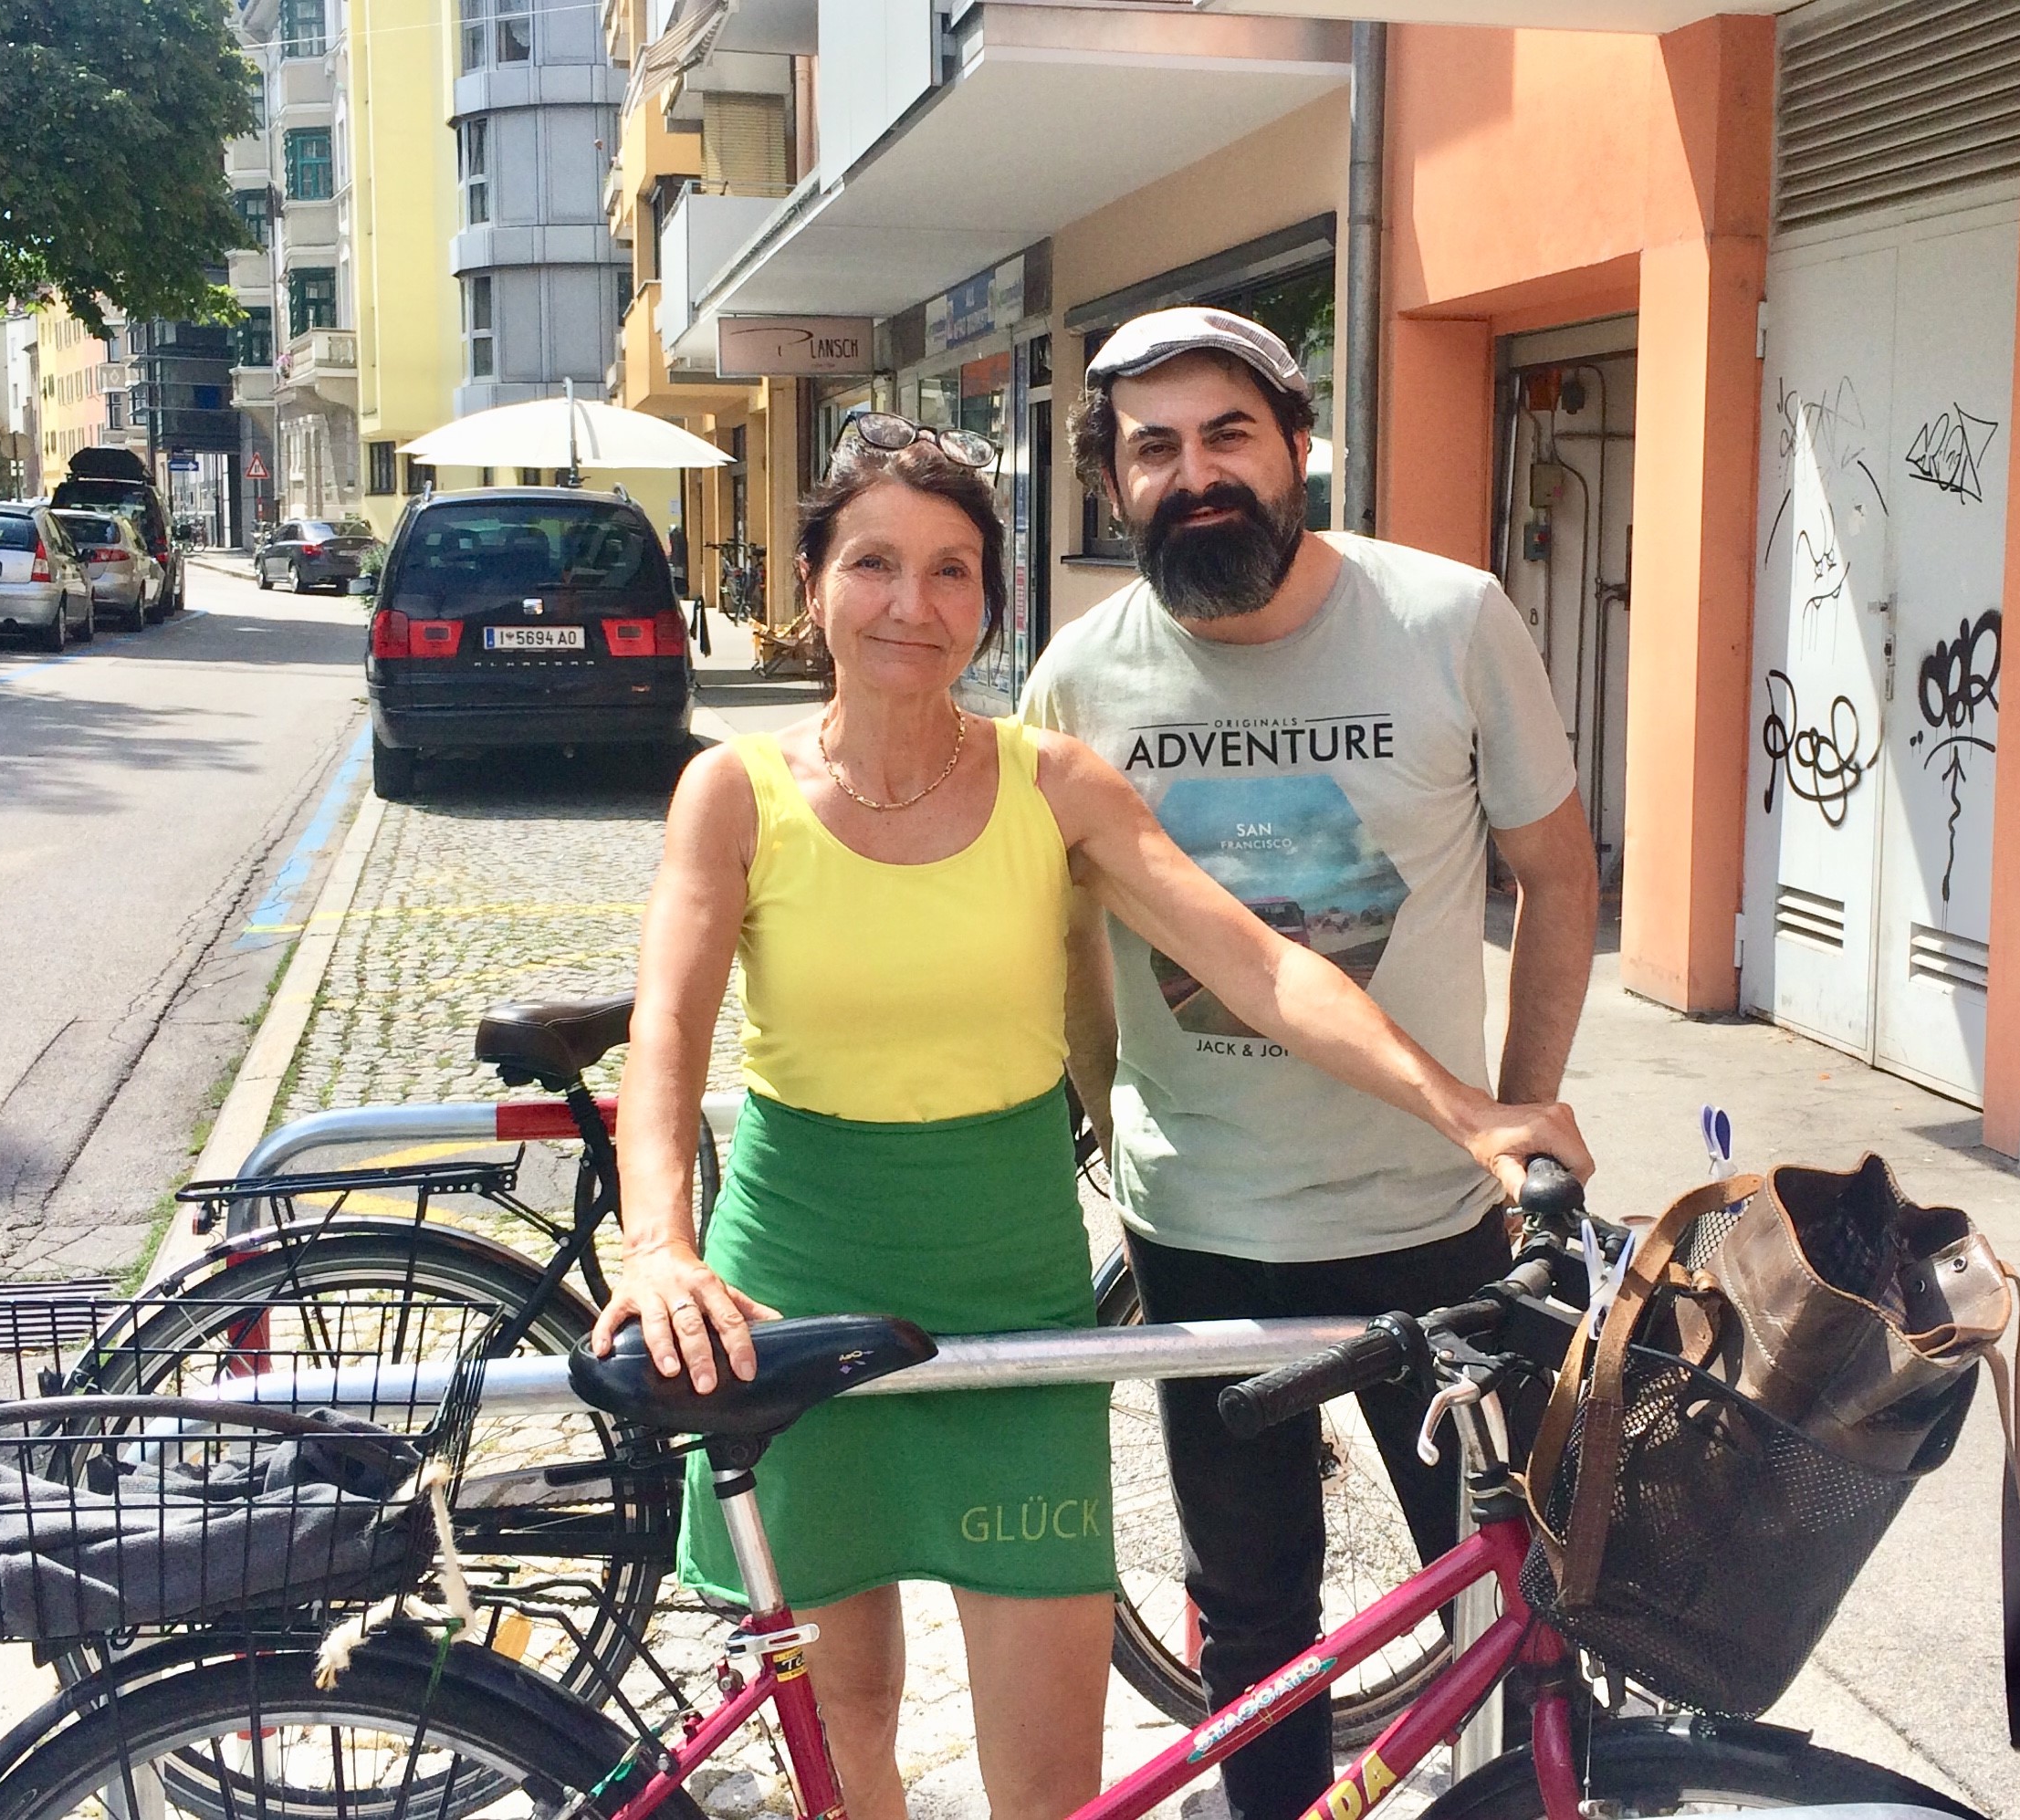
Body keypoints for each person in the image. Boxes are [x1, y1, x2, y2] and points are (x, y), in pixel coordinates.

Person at [595, 422, 1592, 1820]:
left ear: (991, 602)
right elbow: (669, 1031)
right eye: (872, 562)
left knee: (1052, 1780)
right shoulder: (734, 792)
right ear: (811, 579)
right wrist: (657, 1243)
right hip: (792, 1283)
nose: (911, 603)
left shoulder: (1051, 781)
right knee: (849, 1746)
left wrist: (1469, 1107)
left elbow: (1260, 963)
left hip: (1013, 1305)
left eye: (951, 571)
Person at [1019, 307, 1600, 1820]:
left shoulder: (1450, 617)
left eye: (1228, 434)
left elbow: (1557, 871)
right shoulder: (1077, 678)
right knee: (1258, 1630)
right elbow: (1062, 935)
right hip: (1199, 1231)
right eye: (1154, 448)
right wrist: (1104, 1117)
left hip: (1438, 1220)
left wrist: (1517, 1120)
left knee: (1524, 1597)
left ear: (1296, 447)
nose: (1194, 473)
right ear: (1112, 483)